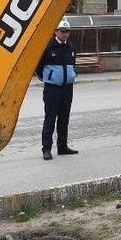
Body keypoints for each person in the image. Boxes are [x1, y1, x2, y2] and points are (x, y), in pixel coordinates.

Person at [35, 19, 78, 161]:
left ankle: (62, 146)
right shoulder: (48, 47)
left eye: (67, 31)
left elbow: (73, 64)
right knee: (50, 119)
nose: (65, 34)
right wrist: (48, 78)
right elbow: (38, 66)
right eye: (62, 31)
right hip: (52, 89)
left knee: (64, 119)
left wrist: (73, 74)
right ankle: (46, 149)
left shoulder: (70, 47)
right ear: (56, 32)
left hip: (67, 88)